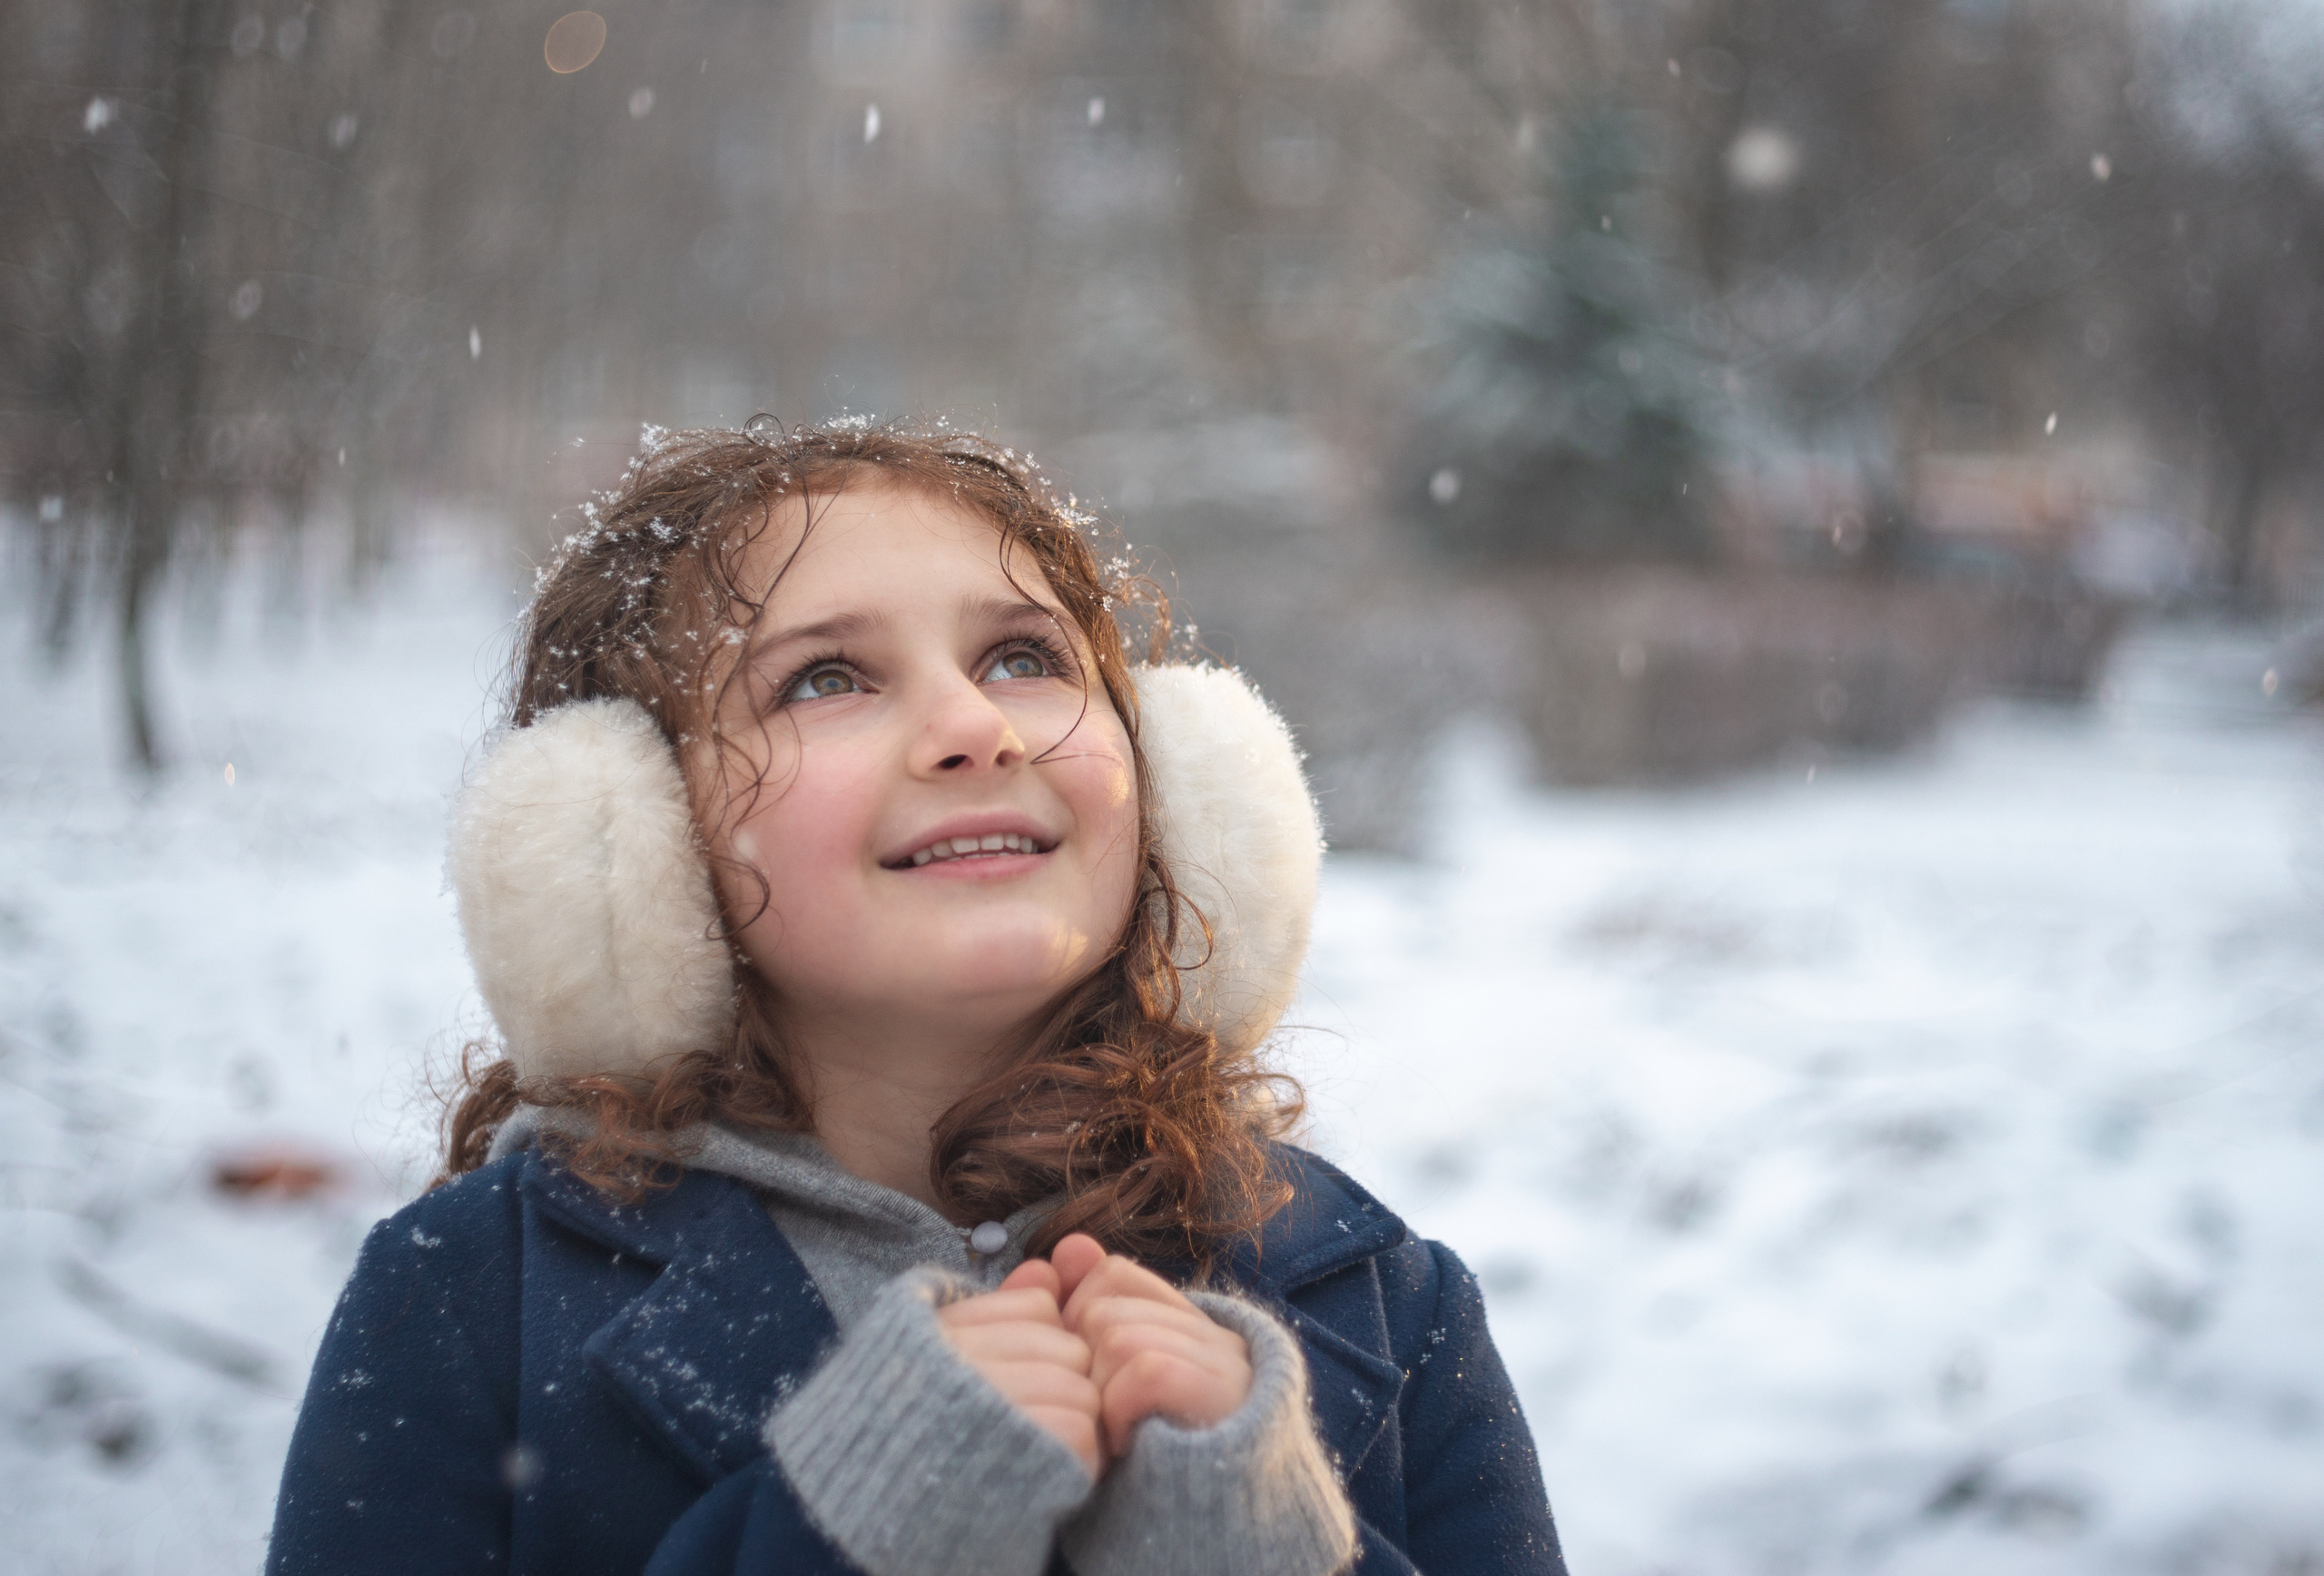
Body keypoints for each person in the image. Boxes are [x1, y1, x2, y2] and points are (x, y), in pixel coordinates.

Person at [266, 421, 1564, 1576]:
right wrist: (847, 1524)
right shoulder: (471, 1303)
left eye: (1023, 658)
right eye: (826, 679)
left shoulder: (1386, 1303)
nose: (973, 726)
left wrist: (1263, 1545)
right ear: (632, 837)